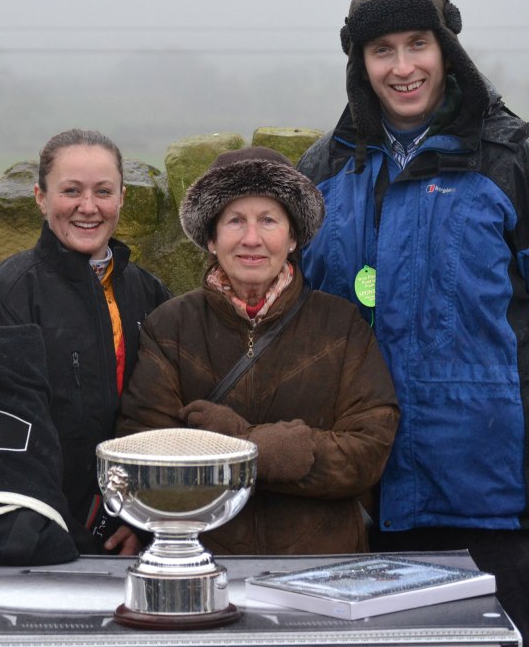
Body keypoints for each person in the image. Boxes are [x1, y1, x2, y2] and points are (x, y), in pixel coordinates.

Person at [298, 0, 529, 647]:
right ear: (360, 62)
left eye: (418, 43)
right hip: (356, 492)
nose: (403, 67)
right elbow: (299, 314)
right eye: (382, 50)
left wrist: (505, 397)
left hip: (487, 495)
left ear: (448, 49)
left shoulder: (515, 163)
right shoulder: (325, 169)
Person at [116, 146, 400, 556]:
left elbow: (366, 455)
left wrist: (244, 445)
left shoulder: (341, 326)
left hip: (322, 565)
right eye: (235, 221)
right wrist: (287, 457)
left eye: (268, 220)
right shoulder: (170, 326)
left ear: (293, 237)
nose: (252, 239)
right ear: (211, 238)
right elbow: (147, 456)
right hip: (205, 561)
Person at [0, 129, 171, 555]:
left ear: (122, 199)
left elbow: (166, 421)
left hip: (135, 533)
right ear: (40, 198)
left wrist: (143, 517)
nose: (88, 207)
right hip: (39, 538)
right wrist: (57, 532)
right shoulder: (10, 294)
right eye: (71, 191)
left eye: (103, 191)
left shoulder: (149, 292)